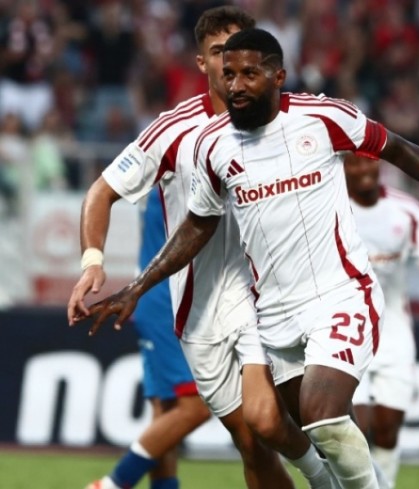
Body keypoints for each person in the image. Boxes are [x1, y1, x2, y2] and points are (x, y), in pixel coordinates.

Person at [74, 28, 419, 489]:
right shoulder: (211, 146)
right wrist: (138, 286)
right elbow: (198, 224)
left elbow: (397, 148)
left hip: (340, 295)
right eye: (229, 74)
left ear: (278, 76)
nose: (236, 85)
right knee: (295, 432)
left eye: (249, 74)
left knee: (321, 416)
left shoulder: (323, 118)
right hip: (274, 316)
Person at [68, 8, 333, 489]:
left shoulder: (289, 120)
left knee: (267, 420)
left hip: (265, 299)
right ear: (202, 63)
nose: (230, 66)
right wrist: (92, 263)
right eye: (218, 54)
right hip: (197, 309)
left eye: (240, 53)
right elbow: (101, 191)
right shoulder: (174, 129)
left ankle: (331, 479)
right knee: (250, 444)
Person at [85, 188, 211, 489]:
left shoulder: (164, 170)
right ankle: (111, 484)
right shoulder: (187, 169)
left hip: (162, 299)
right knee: (195, 407)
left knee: (166, 412)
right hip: (167, 302)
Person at [345, 153, 419, 488]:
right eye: (354, 163)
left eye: (369, 162)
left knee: (387, 429)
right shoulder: (332, 209)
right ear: (342, 168)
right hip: (347, 330)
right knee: (354, 429)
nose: (364, 169)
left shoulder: (407, 209)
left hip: (393, 331)